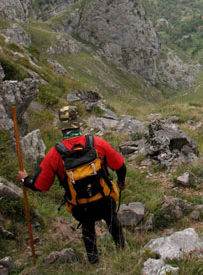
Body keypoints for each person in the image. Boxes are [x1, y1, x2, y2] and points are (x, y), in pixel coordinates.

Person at [17, 105, 127, 264]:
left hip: (80, 206)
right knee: (112, 219)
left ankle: (94, 262)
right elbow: (120, 166)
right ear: (78, 124)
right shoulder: (96, 143)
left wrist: (24, 179)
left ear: (61, 128)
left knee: (87, 227)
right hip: (104, 200)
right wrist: (121, 182)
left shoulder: (55, 154)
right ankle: (122, 252)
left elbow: (40, 185)